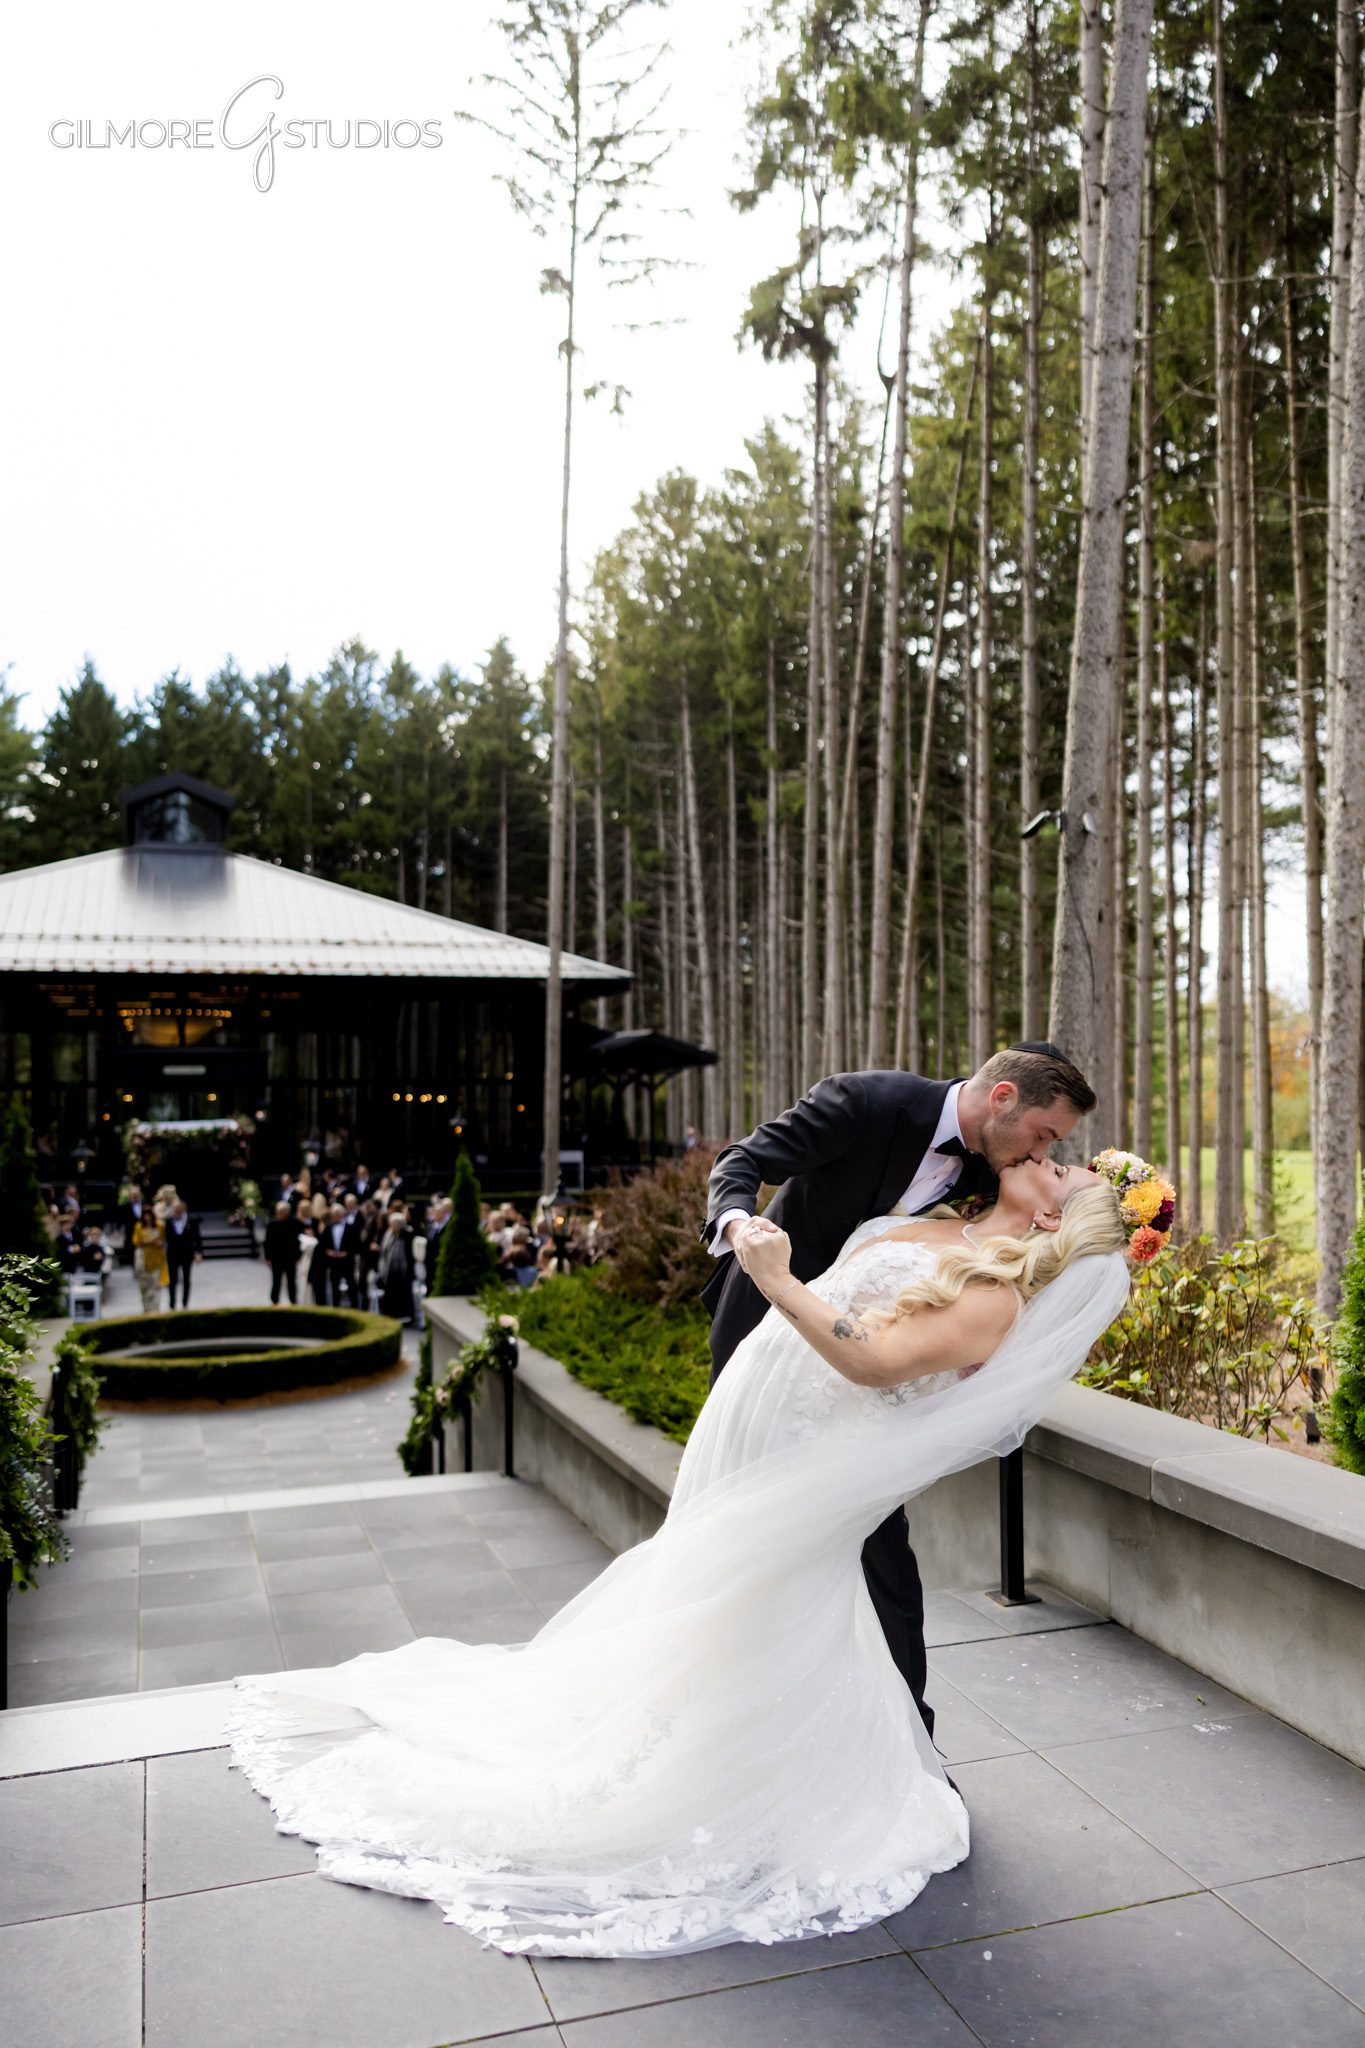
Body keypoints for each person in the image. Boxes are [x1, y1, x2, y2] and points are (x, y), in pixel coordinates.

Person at [227, 1145, 1132, 1957]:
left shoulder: (992, 1298)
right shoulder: (950, 1226)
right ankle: (697, 1742)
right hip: (768, 1417)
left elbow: (873, 1361)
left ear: (1049, 1220)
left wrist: (777, 1280)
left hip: (817, 1457)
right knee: (720, 1591)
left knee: (753, 1601)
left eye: (1060, 1171)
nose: (1048, 1157)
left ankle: (718, 1776)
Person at [700, 1043, 1096, 1741]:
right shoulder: (865, 1102)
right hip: (766, 1345)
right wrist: (743, 1231)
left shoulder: (1000, 1165)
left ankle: (907, 1737)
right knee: (746, 1541)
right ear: (1002, 1099)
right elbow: (742, 1162)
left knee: (878, 1559)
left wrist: (982, 1349)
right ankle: (736, 1714)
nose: (1042, 1153)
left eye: (1051, 1149)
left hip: (859, 1395)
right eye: (1043, 1135)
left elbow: (998, 1258)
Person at [375, 1203, 414, 1321]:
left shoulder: (407, 1234)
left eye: (394, 1224)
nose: (392, 1226)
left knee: (402, 1294)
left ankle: (404, 1315)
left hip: (402, 1271)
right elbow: (384, 1252)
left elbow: (409, 1254)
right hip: (389, 1269)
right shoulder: (388, 1234)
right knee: (390, 1294)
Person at [313, 1203, 356, 1307]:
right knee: (334, 1286)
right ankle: (336, 1307)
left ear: (342, 1214)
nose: (334, 1216)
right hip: (334, 1262)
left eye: (336, 1214)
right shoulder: (329, 1227)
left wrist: (346, 1253)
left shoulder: (350, 1227)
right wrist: (329, 1252)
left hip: (347, 1261)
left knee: (351, 1285)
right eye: (333, 1214)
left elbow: (355, 1243)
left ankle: (355, 1307)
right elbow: (322, 1244)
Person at [164, 1201, 203, 1309]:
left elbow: (197, 1238)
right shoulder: (169, 1220)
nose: (177, 1210)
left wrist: (198, 1252)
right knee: (172, 1280)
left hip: (187, 1254)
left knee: (186, 1279)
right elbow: (166, 1237)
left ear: (184, 1209)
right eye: (176, 1208)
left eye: (180, 1208)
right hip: (172, 1254)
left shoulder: (191, 1220)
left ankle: (185, 1303)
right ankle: (172, 1304)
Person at [264, 1201, 302, 1305]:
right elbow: (267, 1242)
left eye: (283, 1212)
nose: (280, 1214)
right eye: (279, 1212)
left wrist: (298, 1256)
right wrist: (268, 1258)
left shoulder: (294, 1223)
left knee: (291, 1281)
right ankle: (274, 1301)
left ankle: (293, 1301)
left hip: (290, 1257)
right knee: (276, 1281)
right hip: (276, 1258)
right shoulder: (272, 1224)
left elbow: (298, 1241)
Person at [132, 1205, 168, 1312]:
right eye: (145, 1215)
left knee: (156, 1284)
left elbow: (164, 1239)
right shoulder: (139, 1226)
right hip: (143, 1257)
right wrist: (146, 1242)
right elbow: (136, 1241)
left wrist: (159, 1243)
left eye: (149, 1215)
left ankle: (155, 1308)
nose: (147, 1218)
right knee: (144, 1285)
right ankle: (146, 1308)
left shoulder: (159, 1225)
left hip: (156, 1257)